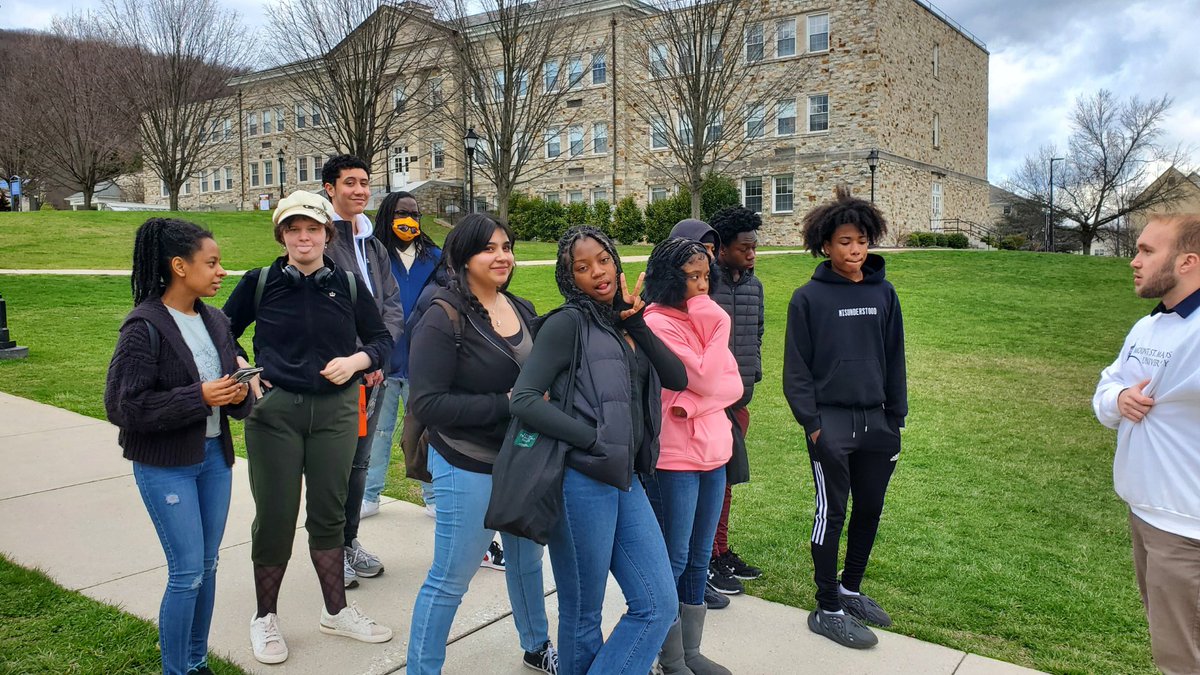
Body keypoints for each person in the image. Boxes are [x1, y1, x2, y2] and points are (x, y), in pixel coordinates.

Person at [223, 190, 395, 664]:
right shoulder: (260, 283)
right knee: (276, 516)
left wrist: (357, 360)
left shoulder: (349, 285)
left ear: (326, 234)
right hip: (275, 413)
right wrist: (245, 370)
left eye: (313, 229)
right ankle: (265, 617)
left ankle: (336, 612)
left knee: (330, 513)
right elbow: (222, 330)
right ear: (282, 235)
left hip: (336, 411)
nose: (304, 238)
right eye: (294, 230)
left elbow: (382, 340)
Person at [510, 226, 688, 675]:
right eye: (582, 267)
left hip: (625, 478)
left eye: (603, 260)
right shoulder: (567, 323)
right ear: (569, 277)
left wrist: (637, 322)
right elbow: (524, 398)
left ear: (615, 259)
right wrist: (589, 438)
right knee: (583, 613)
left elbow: (677, 378)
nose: (597, 273)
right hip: (578, 482)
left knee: (658, 603)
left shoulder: (624, 320)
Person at [406, 214, 556, 674]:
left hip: (522, 460)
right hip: (466, 461)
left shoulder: (523, 307)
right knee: (452, 576)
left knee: (527, 563)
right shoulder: (442, 315)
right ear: (463, 257)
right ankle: (422, 668)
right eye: (489, 248)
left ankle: (537, 647)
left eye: (507, 246)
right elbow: (428, 403)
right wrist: (506, 403)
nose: (502, 256)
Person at [104, 218, 252, 675]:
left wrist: (238, 393)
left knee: (207, 567)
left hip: (213, 461)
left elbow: (224, 387)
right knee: (187, 571)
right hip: (166, 466)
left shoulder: (216, 320)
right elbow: (123, 407)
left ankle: (196, 661)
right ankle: (176, 669)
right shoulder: (144, 327)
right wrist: (199, 396)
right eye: (211, 263)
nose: (221, 271)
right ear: (179, 267)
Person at [783, 186, 906, 649]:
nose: (854, 250)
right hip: (829, 424)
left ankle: (850, 589)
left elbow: (895, 357)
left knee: (869, 509)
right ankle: (827, 606)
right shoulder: (807, 298)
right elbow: (795, 369)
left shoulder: (884, 293)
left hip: (877, 424)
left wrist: (898, 418)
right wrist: (812, 424)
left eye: (861, 241)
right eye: (844, 242)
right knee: (831, 514)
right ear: (826, 246)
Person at [1093, 214, 1200, 675]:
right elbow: (1106, 389)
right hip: (1144, 512)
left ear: (1188, 262)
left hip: (1187, 527)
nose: (1133, 261)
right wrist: (1119, 398)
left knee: (1183, 658)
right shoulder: (1148, 327)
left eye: (1147, 251)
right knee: (1169, 643)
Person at [642, 238, 742, 675]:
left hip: (714, 453)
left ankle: (691, 651)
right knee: (675, 556)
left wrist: (698, 404)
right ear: (670, 278)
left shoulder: (697, 315)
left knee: (701, 556)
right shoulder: (657, 322)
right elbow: (702, 376)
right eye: (691, 277)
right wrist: (716, 320)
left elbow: (734, 385)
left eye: (706, 276)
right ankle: (668, 656)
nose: (702, 286)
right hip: (675, 458)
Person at [320, 154, 405, 589]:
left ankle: (350, 541)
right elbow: (325, 310)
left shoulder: (373, 244)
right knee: (334, 465)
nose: (359, 190)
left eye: (365, 182)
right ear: (329, 188)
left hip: (375, 370)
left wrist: (378, 356)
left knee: (360, 463)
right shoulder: (319, 238)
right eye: (349, 182)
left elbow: (391, 304)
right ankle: (331, 551)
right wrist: (359, 359)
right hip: (340, 374)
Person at [361, 190, 441, 523]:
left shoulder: (434, 257)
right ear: (387, 217)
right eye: (400, 214)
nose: (408, 221)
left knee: (426, 432)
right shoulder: (374, 256)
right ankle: (368, 494)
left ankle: (434, 496)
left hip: (425, 362)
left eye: (414, 214)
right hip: (383, 360)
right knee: (376, 430)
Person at [707, 206, 766, 595]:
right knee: (709, 485)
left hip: (738, 399)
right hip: (707, 403)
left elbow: (757, 332)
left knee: (727, 484)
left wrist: (752, 373)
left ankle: (721, 550)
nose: (751, 255)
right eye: (744, 248)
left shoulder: (753, 286)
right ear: (722, 248)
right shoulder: (703, 284)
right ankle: (707, 557)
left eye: (754, 248)